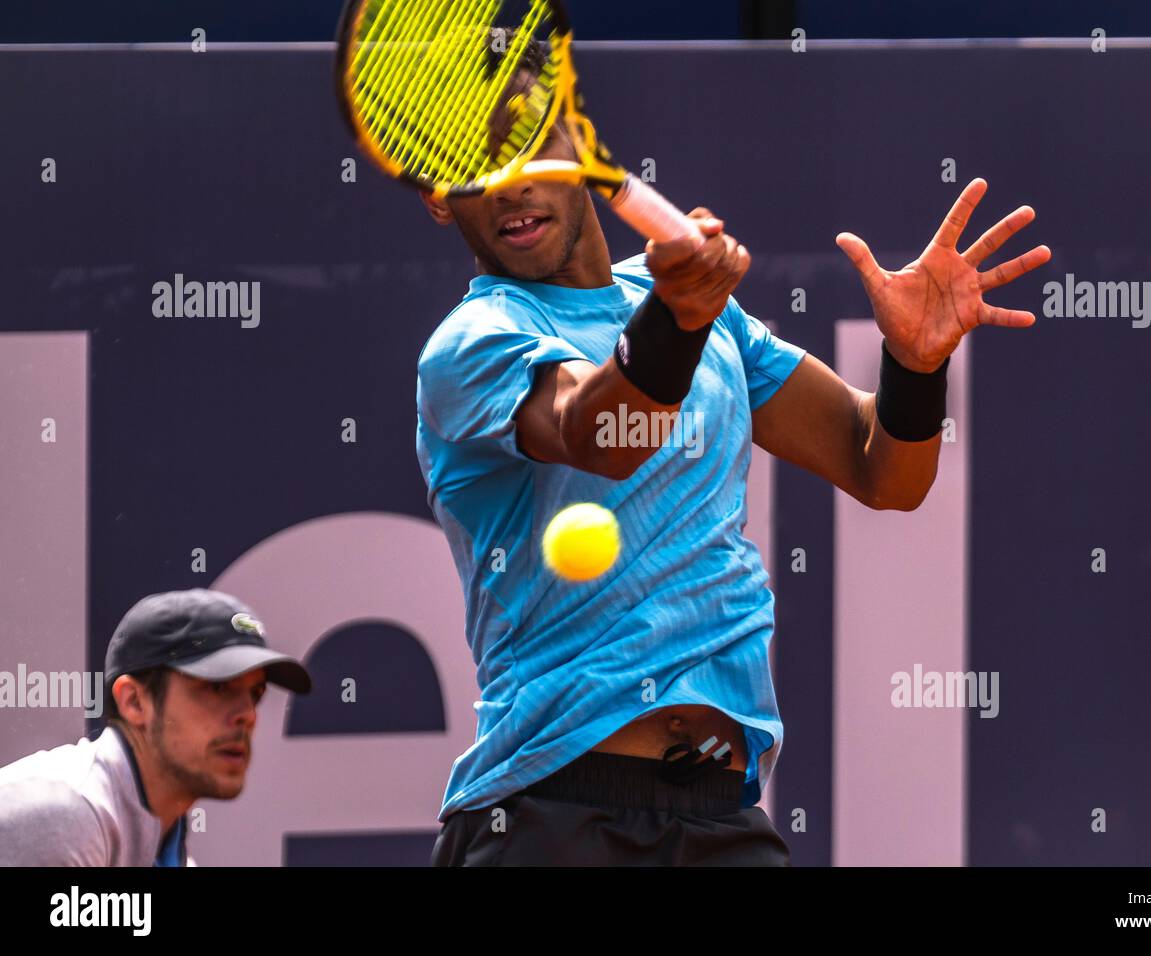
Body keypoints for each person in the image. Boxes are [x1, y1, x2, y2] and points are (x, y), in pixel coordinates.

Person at [417, 46, 1049, 866]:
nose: (508, 185)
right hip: (547, 816)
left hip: (719, 814)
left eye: (525, 141)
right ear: (439, 199)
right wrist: (678, 319)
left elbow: (882, 471)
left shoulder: (706, 317)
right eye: (471, 167)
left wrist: (916, 367)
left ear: (577, 136)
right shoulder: (471, 343)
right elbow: (604, 436)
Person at [0, 589, 311, 866]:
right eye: (218, 688)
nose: (248, 715)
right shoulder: (61, 817)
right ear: (135, 702)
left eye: (255, 694)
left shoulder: (162, 842)